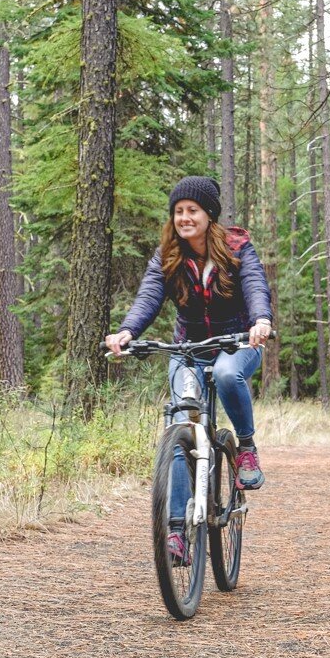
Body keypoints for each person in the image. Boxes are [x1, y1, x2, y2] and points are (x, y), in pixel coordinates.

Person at [105, 176, 274, 565]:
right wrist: (128, 330)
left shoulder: (236, 248)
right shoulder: (168, 254)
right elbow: (149, 295)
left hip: (237, 344)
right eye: (178, 211)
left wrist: (260, 320)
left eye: (192, 210)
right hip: (187, 349)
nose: (184, 218)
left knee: (230, 375)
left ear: (208, 214)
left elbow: (254, 286)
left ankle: (245, 447)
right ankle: (177, 532)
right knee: (182, 423)